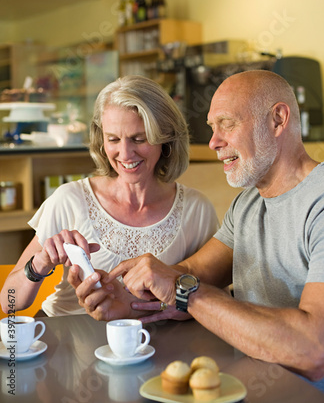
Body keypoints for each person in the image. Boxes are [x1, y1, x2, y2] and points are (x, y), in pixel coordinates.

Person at [75, 70, 324, 396]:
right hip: (245, 386)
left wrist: (186, 292)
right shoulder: (248, 204)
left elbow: (316, 350)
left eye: (227, 123)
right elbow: (193, 273)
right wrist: (128, 302)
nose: (213, 142)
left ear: (278, 120)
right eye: (212, 128)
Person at [0, 75, 219, 317]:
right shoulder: (69, 200)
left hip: (156, 345)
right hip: (70, 341)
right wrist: (40, 263)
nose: (125, 154)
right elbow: (9, 302)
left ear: (165, 137)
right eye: (113, 139)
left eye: (139, 139)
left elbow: (213, 300)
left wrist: (159, 306)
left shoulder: (196, 209)